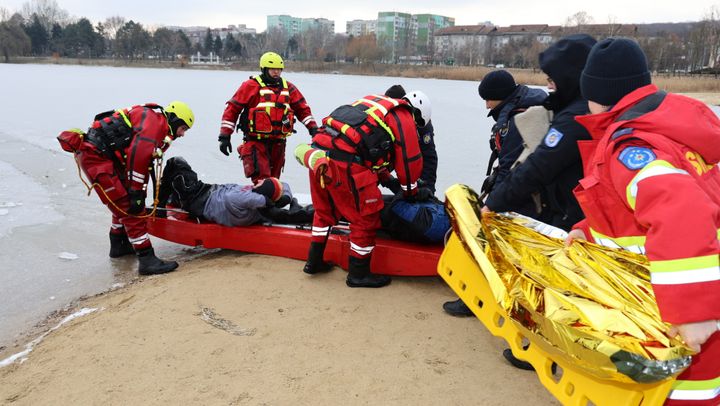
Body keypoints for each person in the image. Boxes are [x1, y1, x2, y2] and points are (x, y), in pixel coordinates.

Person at [569, 38, 720, 405]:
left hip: (682, 315)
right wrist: (587, 229)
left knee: (685, 394)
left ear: (595, 92)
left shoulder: (628, 149)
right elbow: (636, 209)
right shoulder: (672, 133)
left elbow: (682, 212)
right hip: (700, 293)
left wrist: (693, 314)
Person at [480, 34, 597, 370]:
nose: (548, 85)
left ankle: (538, 350)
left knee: (550, 280)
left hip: (570, 213)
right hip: (579, 209)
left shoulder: (574, 117)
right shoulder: (582, 107)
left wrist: (494, 202)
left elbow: (539, 164)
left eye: (553, 79)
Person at [443, 69, 548, 317]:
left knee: (487, 240)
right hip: (537, 196)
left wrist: (492, 203)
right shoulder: (530, 103)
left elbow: (511, 166)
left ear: (498, 97)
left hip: (521, 195)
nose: (486, 105)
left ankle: (475, 297)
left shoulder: (517, 119)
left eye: (487, 100)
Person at [298, 93, 426, 288]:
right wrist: (411, 192)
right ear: (419, 114)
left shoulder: (374, 104)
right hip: (346, 166)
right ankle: (358, 274)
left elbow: (366, 146)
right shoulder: (403, 115)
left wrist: (388, 180)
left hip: (319, 156)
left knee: (323, 212)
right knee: (366, 218)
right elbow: (410, 162)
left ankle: (313, 261)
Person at [56, 101, 194, 276]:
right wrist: (136, 193)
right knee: (128, 207)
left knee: (124, 202)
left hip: (102, 157)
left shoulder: (153, 122)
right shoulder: (154, 124)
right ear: (174, 119)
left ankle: (119, 245)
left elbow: (140, 162)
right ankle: (146, 259)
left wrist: (138, 192)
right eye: (183, 128)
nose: (182, 134)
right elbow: (138, 157)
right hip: (96, 159)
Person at [218, 51, 318, 183]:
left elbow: (303, 109)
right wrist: (225, 136)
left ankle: (271, 202)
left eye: (279, 69)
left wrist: (313, 129)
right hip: (256, 142)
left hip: (278, 143)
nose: (276, 72)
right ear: (264, 69)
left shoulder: (288, 88)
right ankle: (263, 202)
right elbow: (232, 109)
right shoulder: (250, 86)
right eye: (272, 69)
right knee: (262, 180)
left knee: (274, 180)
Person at [156, 156, 312, 226]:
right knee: (177, 175)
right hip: (207, 193)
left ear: (263, 190)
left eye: (263, 182)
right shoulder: (258, 199)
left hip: (199, 200)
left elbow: (259, 199)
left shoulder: (251, 199)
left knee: (176, 163)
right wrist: (285, 198)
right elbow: (283, 185)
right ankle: (171, 199)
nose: (260, 180)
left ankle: (160, 205)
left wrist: (269, 199)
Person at [382, 85, 438, 196]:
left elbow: (429, 157)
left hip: (417, 167)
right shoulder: (388, 118)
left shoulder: (421, 122)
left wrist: (428, 188)